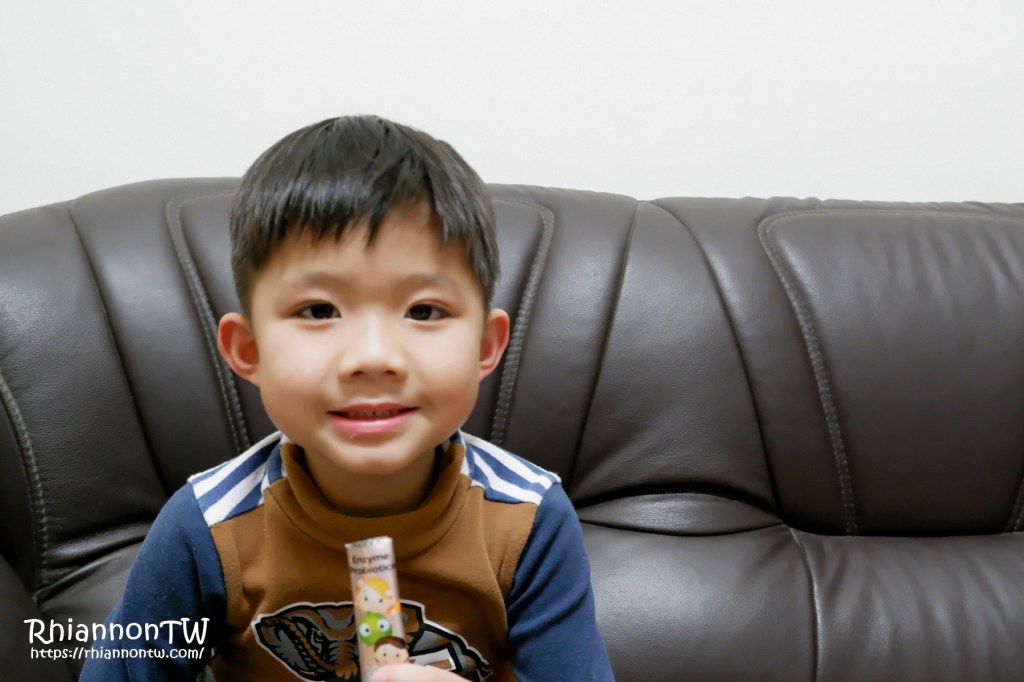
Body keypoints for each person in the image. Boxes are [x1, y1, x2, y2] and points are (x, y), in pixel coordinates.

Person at [81, 115, 614, 681]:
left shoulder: (529, 519)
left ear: (485, 346)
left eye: (424, 311)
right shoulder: (205, 528)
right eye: (319, 311)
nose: (373, 356)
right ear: (249, 349)